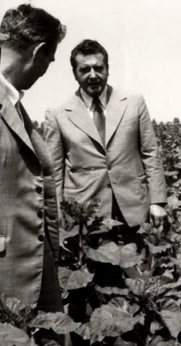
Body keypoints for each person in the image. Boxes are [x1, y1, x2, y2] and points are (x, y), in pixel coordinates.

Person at [0, 3, 67, 328]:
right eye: (48, 61)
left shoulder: (13, 103)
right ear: (38, 51)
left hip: (35, 274)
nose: (44, 71)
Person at [44, 40, 167, 232]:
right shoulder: (57, 113)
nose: (93, 75)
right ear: (75, 74)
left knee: (139, 260)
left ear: (107, 70)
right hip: (85, 215)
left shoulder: (133, 102)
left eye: (98, 68)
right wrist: (58, 215)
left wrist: (158, 201)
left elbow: (150, 153)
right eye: (85, 70)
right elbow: (55, 172)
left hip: (134, 210)